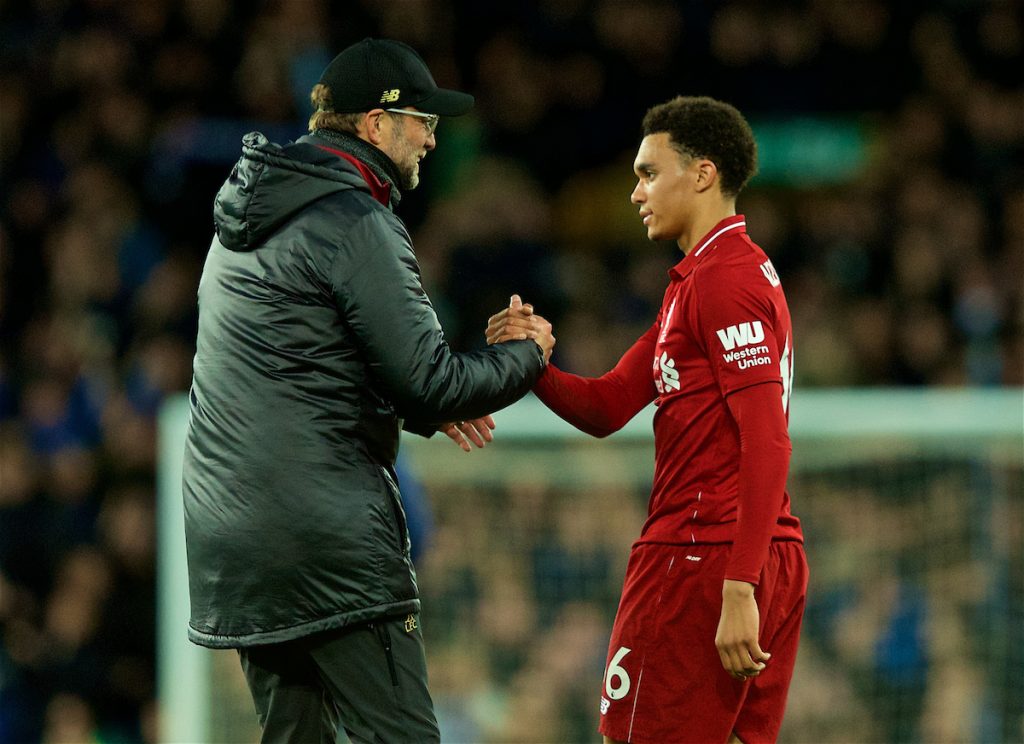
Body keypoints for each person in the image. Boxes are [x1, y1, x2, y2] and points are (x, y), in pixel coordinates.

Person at [181, 37, 554, 744]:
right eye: (422, 120)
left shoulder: (242, 221)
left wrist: (413, 405)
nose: (433, 138)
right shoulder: (355, 219)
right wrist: (524, 355)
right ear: (375, 125)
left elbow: (300, 369)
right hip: (324, 541)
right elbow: (434, 382)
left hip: (235, 539)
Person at [488, 95, 807, 743]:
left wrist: (738, 587)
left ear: (702, 174)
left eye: (648, 174)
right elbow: (607, 406)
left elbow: (767, 439)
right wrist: (532, 365)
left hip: (703, 556)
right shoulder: (698, 285)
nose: (635, 193)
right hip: (758, 553)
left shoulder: (724, 282)